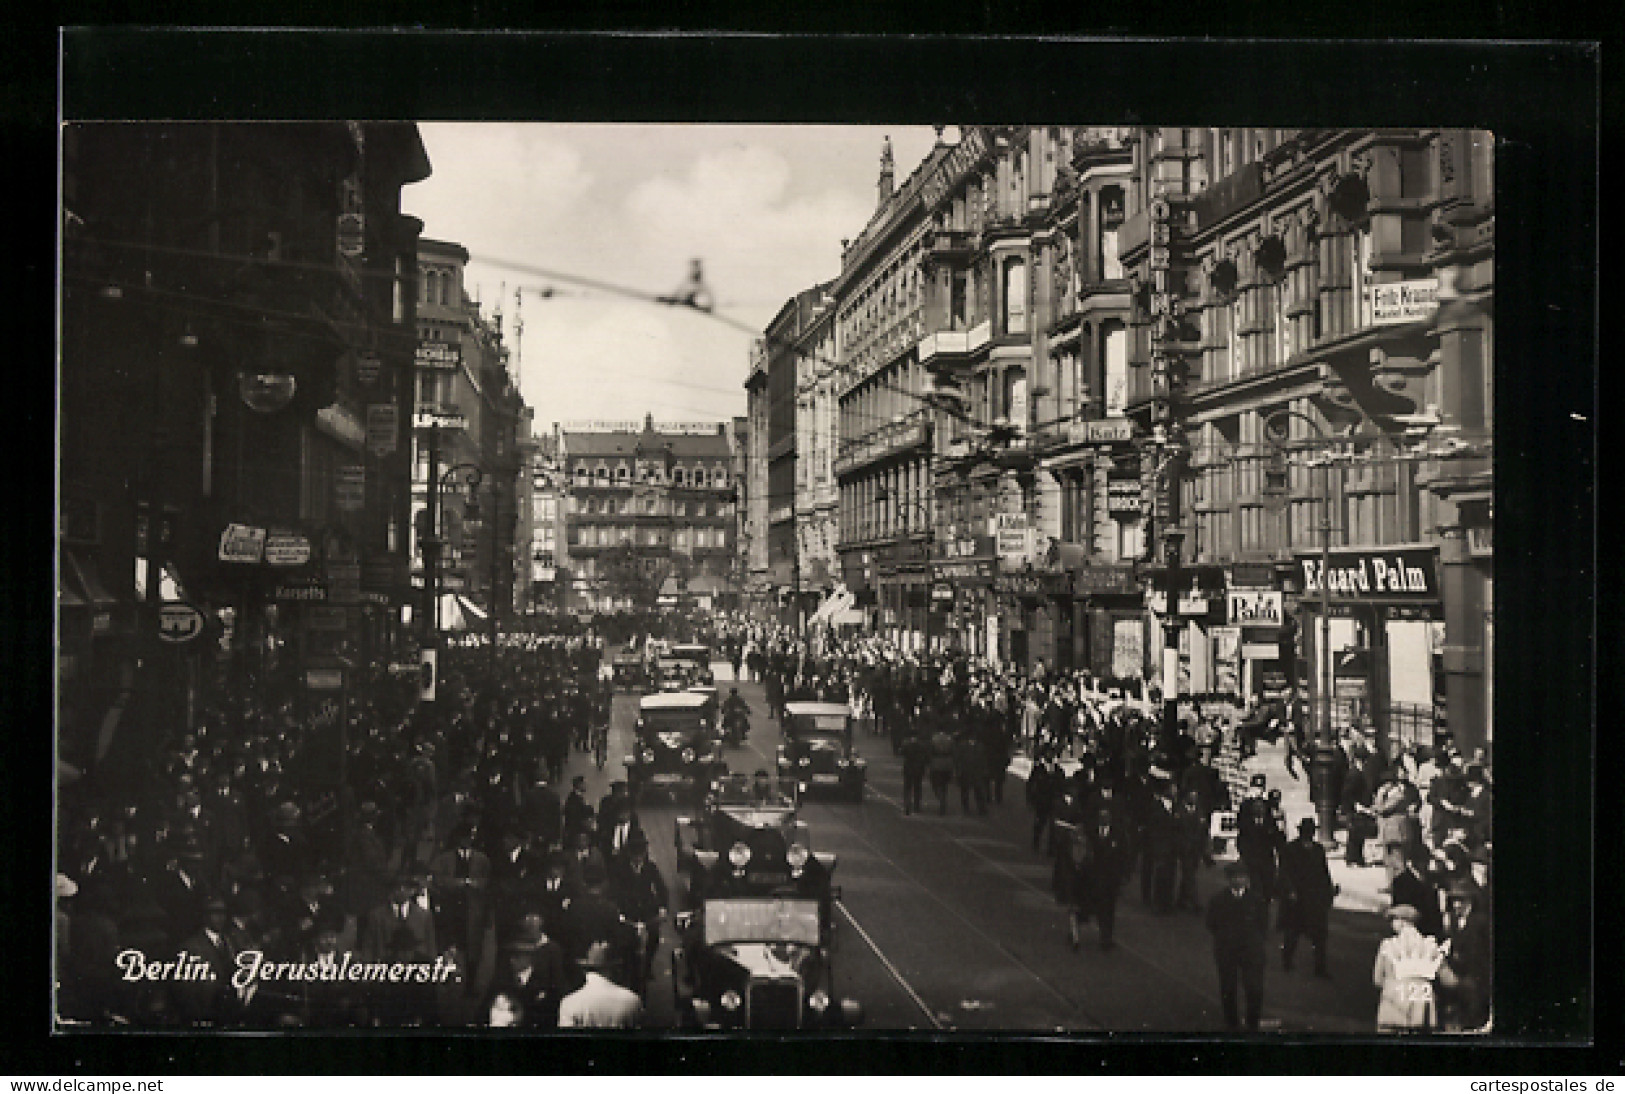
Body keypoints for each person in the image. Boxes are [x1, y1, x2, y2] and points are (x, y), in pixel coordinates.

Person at [1205, 861, 1269, 1032]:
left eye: (1242, 877)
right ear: (1229, 880)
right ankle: (1231, 1021)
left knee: (1254, 987)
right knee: (1228, 986)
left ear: (1247, 879)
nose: (1239, 880)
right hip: (1227, 949)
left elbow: (1263, 924)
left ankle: (1252, 1021)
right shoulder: (1218, 900)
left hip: (1251, 949)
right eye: (1235, 877)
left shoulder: (1256, 900)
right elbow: (1211, 923)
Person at [609, 833, 668, 997]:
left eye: (641, 854)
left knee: (654, 936)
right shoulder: (619, 869)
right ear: (630, 855)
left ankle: (647, 965)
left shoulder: (651, 867)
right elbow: (614, 891)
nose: (638, 859)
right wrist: (618, 911)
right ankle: (626, 969)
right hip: (628, 912)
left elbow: (662, 889)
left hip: (647, 911)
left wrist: (663, 907)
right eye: (635, 855)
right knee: (624, 942)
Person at [1277, 818, 1336, 978]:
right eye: (1306, 831)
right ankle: (1287, 960)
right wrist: (1289, 890)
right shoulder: (1290, 849)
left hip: (1315, 896)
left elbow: (1324, 872)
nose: (1309, 834)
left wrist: (1329, 890)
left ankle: (1320, 968)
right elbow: (1284, 872)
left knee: (1320, 934)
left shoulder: (1318, 849)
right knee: (1292, 931)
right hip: (1297, 897)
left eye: (1311, 831)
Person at [1373, 904, 1445, 1033]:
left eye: (1393, 920)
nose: (1392, 924)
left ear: (1402, 922)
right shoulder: (1430, 945)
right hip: (1421, 1009)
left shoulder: (1388, 945)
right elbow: (1446, 978)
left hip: (1393, 1007)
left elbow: (1377, 979)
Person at [1067, 805, 1129, 951]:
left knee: (1108, 910)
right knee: (1088, 907)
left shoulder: (1118, 835)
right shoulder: (1091, 833)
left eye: (1106, 816)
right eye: (1101, 816)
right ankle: (1075, 930)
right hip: (1092, 879)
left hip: (1110, 880)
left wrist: (1122, 876)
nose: (1103, 818)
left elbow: (1123, 856)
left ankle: (1106, 938)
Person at [1438, 880, 1492, 1031]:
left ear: (1470, 901)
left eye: (1460, 900)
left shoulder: (1479, 922)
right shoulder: (1458, 922)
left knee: (1473, 1017)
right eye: (1454, 900)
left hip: (1475, 979)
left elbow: (1479, 954)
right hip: (1464, 977)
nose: (1456, 905)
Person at [557, 940, 642, 1028]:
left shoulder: (570, 1003)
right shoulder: (633, 1001)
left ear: (585, 970)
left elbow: (566, 1040)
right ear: (616, 969)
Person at [899, 727, 930, 816]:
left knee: (907, 787)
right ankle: (917, 806)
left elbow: (901, 752)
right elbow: (926, 757)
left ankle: (907, 804)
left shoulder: (906, 744)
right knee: (917, 787)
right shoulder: (922, 745)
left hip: (908, 768)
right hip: (919, 768)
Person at [927, 726, 956, 816]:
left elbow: (930, 752)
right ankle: (943, 798)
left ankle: (941, 799)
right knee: (944, 784)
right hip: (948, 764)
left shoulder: (933, 739)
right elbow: (954, 752)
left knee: (936, 784)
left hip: (936, 764)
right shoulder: (950, 739)